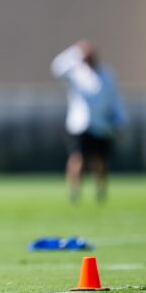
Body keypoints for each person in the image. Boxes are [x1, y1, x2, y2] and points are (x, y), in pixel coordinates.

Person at [50, 40, 128, 202]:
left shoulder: (106, 74)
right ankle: (74, 191)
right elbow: (56, 68)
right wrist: (74, 52)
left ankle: (101, 191)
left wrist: (120, 120)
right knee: (77, 157)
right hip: (81, 125)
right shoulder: (76, 73)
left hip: (102, 126)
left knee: (100, 160)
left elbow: (115, 100)